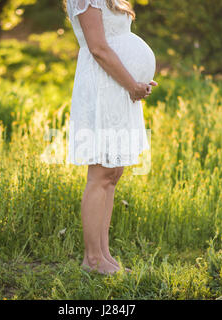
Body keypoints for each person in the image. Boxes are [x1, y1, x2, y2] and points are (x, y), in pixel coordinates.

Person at [65, 0, 158, 275]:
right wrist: (132, 84)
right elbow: (98, 48)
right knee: (101, 173)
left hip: (119, 88)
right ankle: (92, 259)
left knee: (112, 172)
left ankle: (103, 256)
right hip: (104, 87)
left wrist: (137, 80)